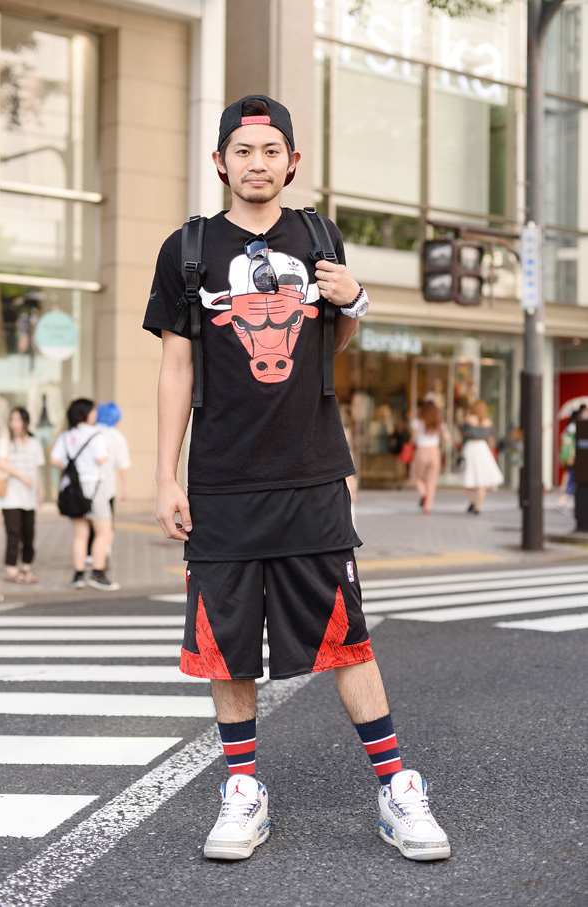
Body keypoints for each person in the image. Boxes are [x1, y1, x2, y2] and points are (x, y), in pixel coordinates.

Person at [143, 95, 450, 864]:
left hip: (312, 472)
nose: (257, 163)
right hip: (220, 479)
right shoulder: (187, 249)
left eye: (270, 150)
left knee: (346, 635)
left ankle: (396, 785)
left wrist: (356, 303)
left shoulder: (317, 235)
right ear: (220, 162)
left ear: (291, 161)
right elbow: (176, 365)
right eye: (243, 151)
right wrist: (164, 475)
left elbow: (329, 339)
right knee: (226, 645)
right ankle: (242, 788)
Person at [50, 398, 119, 591]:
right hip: (94, 487)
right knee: (104, 532)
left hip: (73, 487)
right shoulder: (95, 434)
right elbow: (101, 459)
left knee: (80, 535)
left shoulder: (66, 435)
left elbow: (54, 459)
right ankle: (98, 573)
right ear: (84, 414)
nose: (95, 414)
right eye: (92, 411)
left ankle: (78, 575)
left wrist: (71, 467)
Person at [0, 407, 45, 583]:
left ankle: (26, 566)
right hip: (10, 496)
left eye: (17, 420)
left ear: (26, 422)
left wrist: (40, 493)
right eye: (12, 420)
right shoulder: (6, 441)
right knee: (13, 533)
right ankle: (11, 569)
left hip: (29, 497)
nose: (14, 424)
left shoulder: (34, 444)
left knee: (29, 533)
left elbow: (37, 471)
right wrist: (22, 476)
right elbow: (1, 462)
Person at [86, 401, 132, 564]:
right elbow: (123, 464)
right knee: (106, 522)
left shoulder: (90, 432)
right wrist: (125, 487)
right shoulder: (117, 437)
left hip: (88, 485)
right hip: (107, 487)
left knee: (89, 521)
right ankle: (104, 550)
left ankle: (89, 554)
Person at [461, 399, 504, 514]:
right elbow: (491, 440)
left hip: (471, 447)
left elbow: (463, 432)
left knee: (469, 476)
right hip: (482, 449)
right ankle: (478, 506)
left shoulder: (469, 419)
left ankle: (471, 502)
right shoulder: (488, 422)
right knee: (481, 480)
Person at [410, 400, 449, 515]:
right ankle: (427, 506)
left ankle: (423, 493)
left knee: (418, 477)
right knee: (432, 481)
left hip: (422, 450)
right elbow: (446, 438)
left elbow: (413, 438)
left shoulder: (418, 422)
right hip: (434, 451)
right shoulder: (439, 423)